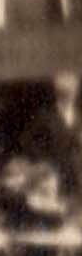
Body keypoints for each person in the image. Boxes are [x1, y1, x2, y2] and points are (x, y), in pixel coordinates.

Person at [14, 69, 80, 197]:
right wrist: (44, 161)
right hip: (53, 174)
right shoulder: (45, 116)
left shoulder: (78, 116)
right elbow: (26, 141)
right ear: (58, 92)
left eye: (72, 91)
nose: (69, 95)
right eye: (64, 92)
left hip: (76, 174)